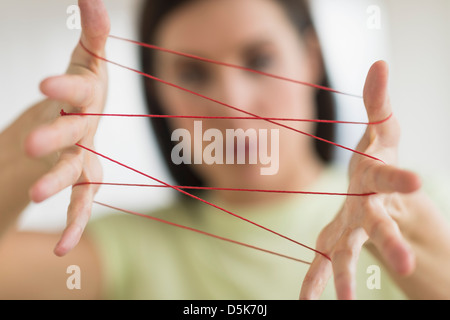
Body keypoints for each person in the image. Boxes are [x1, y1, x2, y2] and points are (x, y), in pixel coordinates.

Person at [1, 0, 449, 300]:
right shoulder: (126, 248)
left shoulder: (420, 208)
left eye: (260, 60)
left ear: (310, 58)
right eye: (193, 75)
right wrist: (33, 148)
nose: (232, 107)